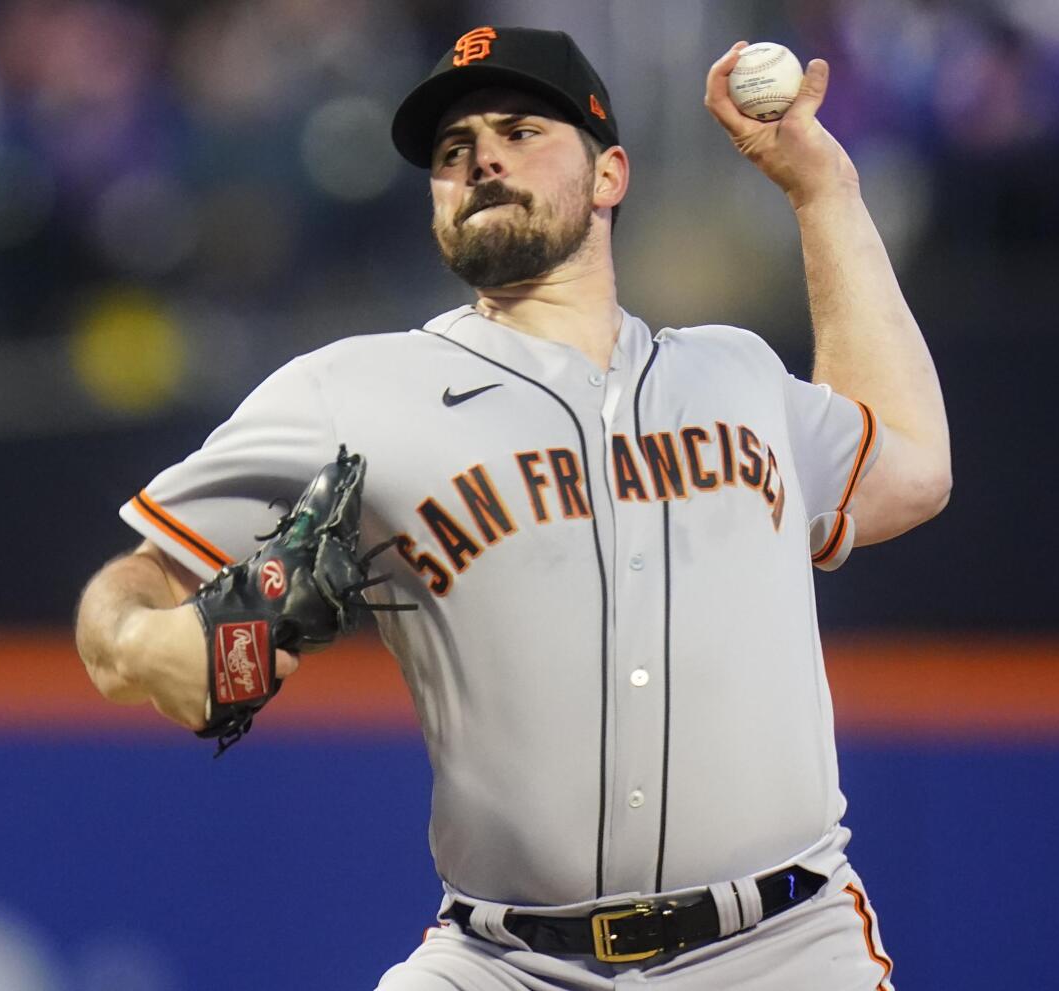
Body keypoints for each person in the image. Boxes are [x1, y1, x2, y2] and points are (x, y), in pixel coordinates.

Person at [75, 26, 949, 991]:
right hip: (507, 962)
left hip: (782, 947)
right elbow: (135, 583)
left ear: (610, 174)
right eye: (452, 152)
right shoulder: (355, 393)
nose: (480, 156)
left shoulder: (734, 370)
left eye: (521, 129)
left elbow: (908, 467)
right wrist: (138, 643)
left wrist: (823, 191)